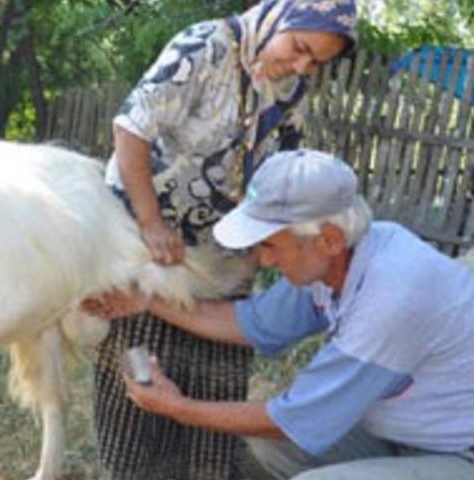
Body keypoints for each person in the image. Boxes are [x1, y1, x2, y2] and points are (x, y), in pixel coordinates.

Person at [84, 149, 474, 480]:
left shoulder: (394, 297)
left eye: (270, 245)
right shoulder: (340, 259)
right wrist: (149, 301)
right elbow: (254, 323)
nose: (262, 260)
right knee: (265, 449)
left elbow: (294, 418)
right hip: (397, 431)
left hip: (459, 452)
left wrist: (176, 408)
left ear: (329, 239)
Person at [95, 1, 356, 478]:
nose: (302, 67)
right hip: (156, 246)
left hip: (229, 251)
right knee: (143, 378)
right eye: (300, 49)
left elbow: (282, 165)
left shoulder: (290, 84)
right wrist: (152, 221)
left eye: (316, 62)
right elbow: (131, 129)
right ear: (278, 16)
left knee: (218, 378)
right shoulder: (204, 47)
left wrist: (264, 246)